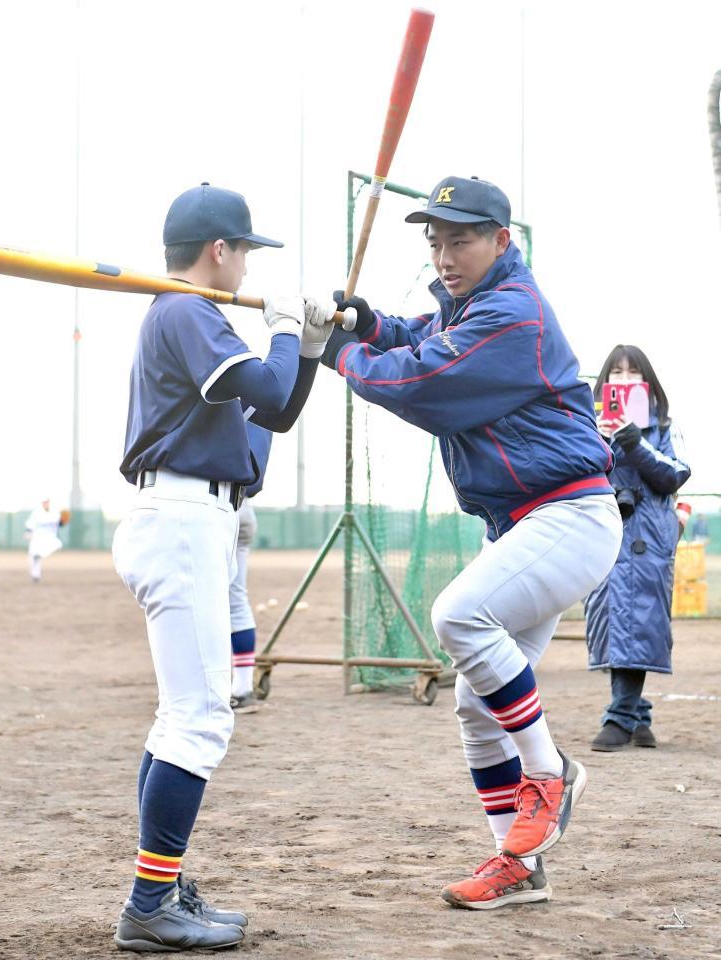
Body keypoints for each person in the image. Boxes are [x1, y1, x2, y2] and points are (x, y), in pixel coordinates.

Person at [312, 175, 622, 910]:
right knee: (474, 705)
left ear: (501, 241)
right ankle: (516, 869)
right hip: (528, 524)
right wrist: (360, 323)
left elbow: (421, 378)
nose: (445, 255)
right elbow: (411, 335)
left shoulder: (512, 314)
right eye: (436, 241)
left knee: (458, 615)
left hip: (570, 516)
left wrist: (332, 353)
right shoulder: (470, 305)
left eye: (461, 240)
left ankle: (548, 775)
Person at [111, 182, 337, 952]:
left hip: (191, 513)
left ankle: (161, 887)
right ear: (219, 250)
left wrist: (302, 348)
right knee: (200, 719)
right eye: (243, 250)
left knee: (186, 714)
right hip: (177, 518)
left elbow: (272, 409)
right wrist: (279, 333)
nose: (246, 264)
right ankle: (149, 903)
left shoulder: (188, 315)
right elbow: (265, 385)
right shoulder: (185, 311)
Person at [585, 345, 690, 751]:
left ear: (647, 382)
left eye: (633, 372)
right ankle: (637, 714)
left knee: (641, 621)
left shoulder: (663, 425)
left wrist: (635, 442)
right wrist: (605, 439)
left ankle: (620, 717)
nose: (624, 379)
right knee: (613, 620)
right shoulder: (590, 424)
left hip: (649, 537)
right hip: (608, 533)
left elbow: (674, 474)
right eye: (617, 372)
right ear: (605, 381)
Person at [229, 421, 273, 713]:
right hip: (245, 505)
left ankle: (201, 688)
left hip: (220, 504)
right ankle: (242, 686)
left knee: (194, 600)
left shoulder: (226, 394)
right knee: (236, 599)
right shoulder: (265, 401)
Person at [24, 498, 64, 582]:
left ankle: (40, 554)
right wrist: (28, 531)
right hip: (37, 537)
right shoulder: (37, 512)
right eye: (44, 502)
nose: (46, 503)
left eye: (47, 502)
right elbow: (30, 523)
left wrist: (62, 522)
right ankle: (35, 575)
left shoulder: (55, 512)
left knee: (57, 544)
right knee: (33, 557)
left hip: (50, 537)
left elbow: (60, 524)